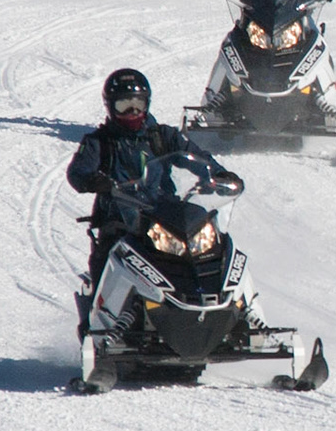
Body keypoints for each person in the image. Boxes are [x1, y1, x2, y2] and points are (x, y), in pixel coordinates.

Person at [66, 68, 241, 285]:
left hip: (163, 214)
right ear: (110, 107)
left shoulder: (162, 136)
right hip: (119, 220)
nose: (132, 112)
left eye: (137, 105)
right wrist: (92, 180)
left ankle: (231, 302)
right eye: (123, 106)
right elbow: (77, 171)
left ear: (147, 104)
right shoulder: (99, 141)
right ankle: (96, 313)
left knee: (207, 248)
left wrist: (217, 173)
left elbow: (194, 155)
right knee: (105, 264)